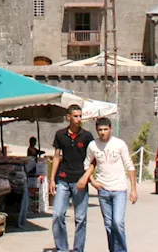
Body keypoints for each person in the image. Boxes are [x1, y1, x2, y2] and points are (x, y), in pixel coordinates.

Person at [81, 116, 136, 252]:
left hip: (119, 189)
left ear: (110, 129)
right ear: (96, 130)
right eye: (100, 130)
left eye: (105, 129)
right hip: (103, 190)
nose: (103, 132)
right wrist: (93, 182)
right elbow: (87, 164)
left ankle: (122, 250)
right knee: (109, 225)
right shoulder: (93, 146)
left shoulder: (119, 144)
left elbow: (130, 166)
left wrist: (133, 189)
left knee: (118, 222)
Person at [50, 104, 94, 252]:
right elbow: (56, 157)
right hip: (63, 179)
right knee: (57, 215)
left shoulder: (87, 136)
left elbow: (93, 159)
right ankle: (62, 248)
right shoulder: (60, 134)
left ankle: (78, 249)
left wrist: (88, 177)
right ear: (68, 117)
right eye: (75, 116)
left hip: (80, 182)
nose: (79, 119)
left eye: (80, 116)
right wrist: (52, 179)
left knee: (80, 219)